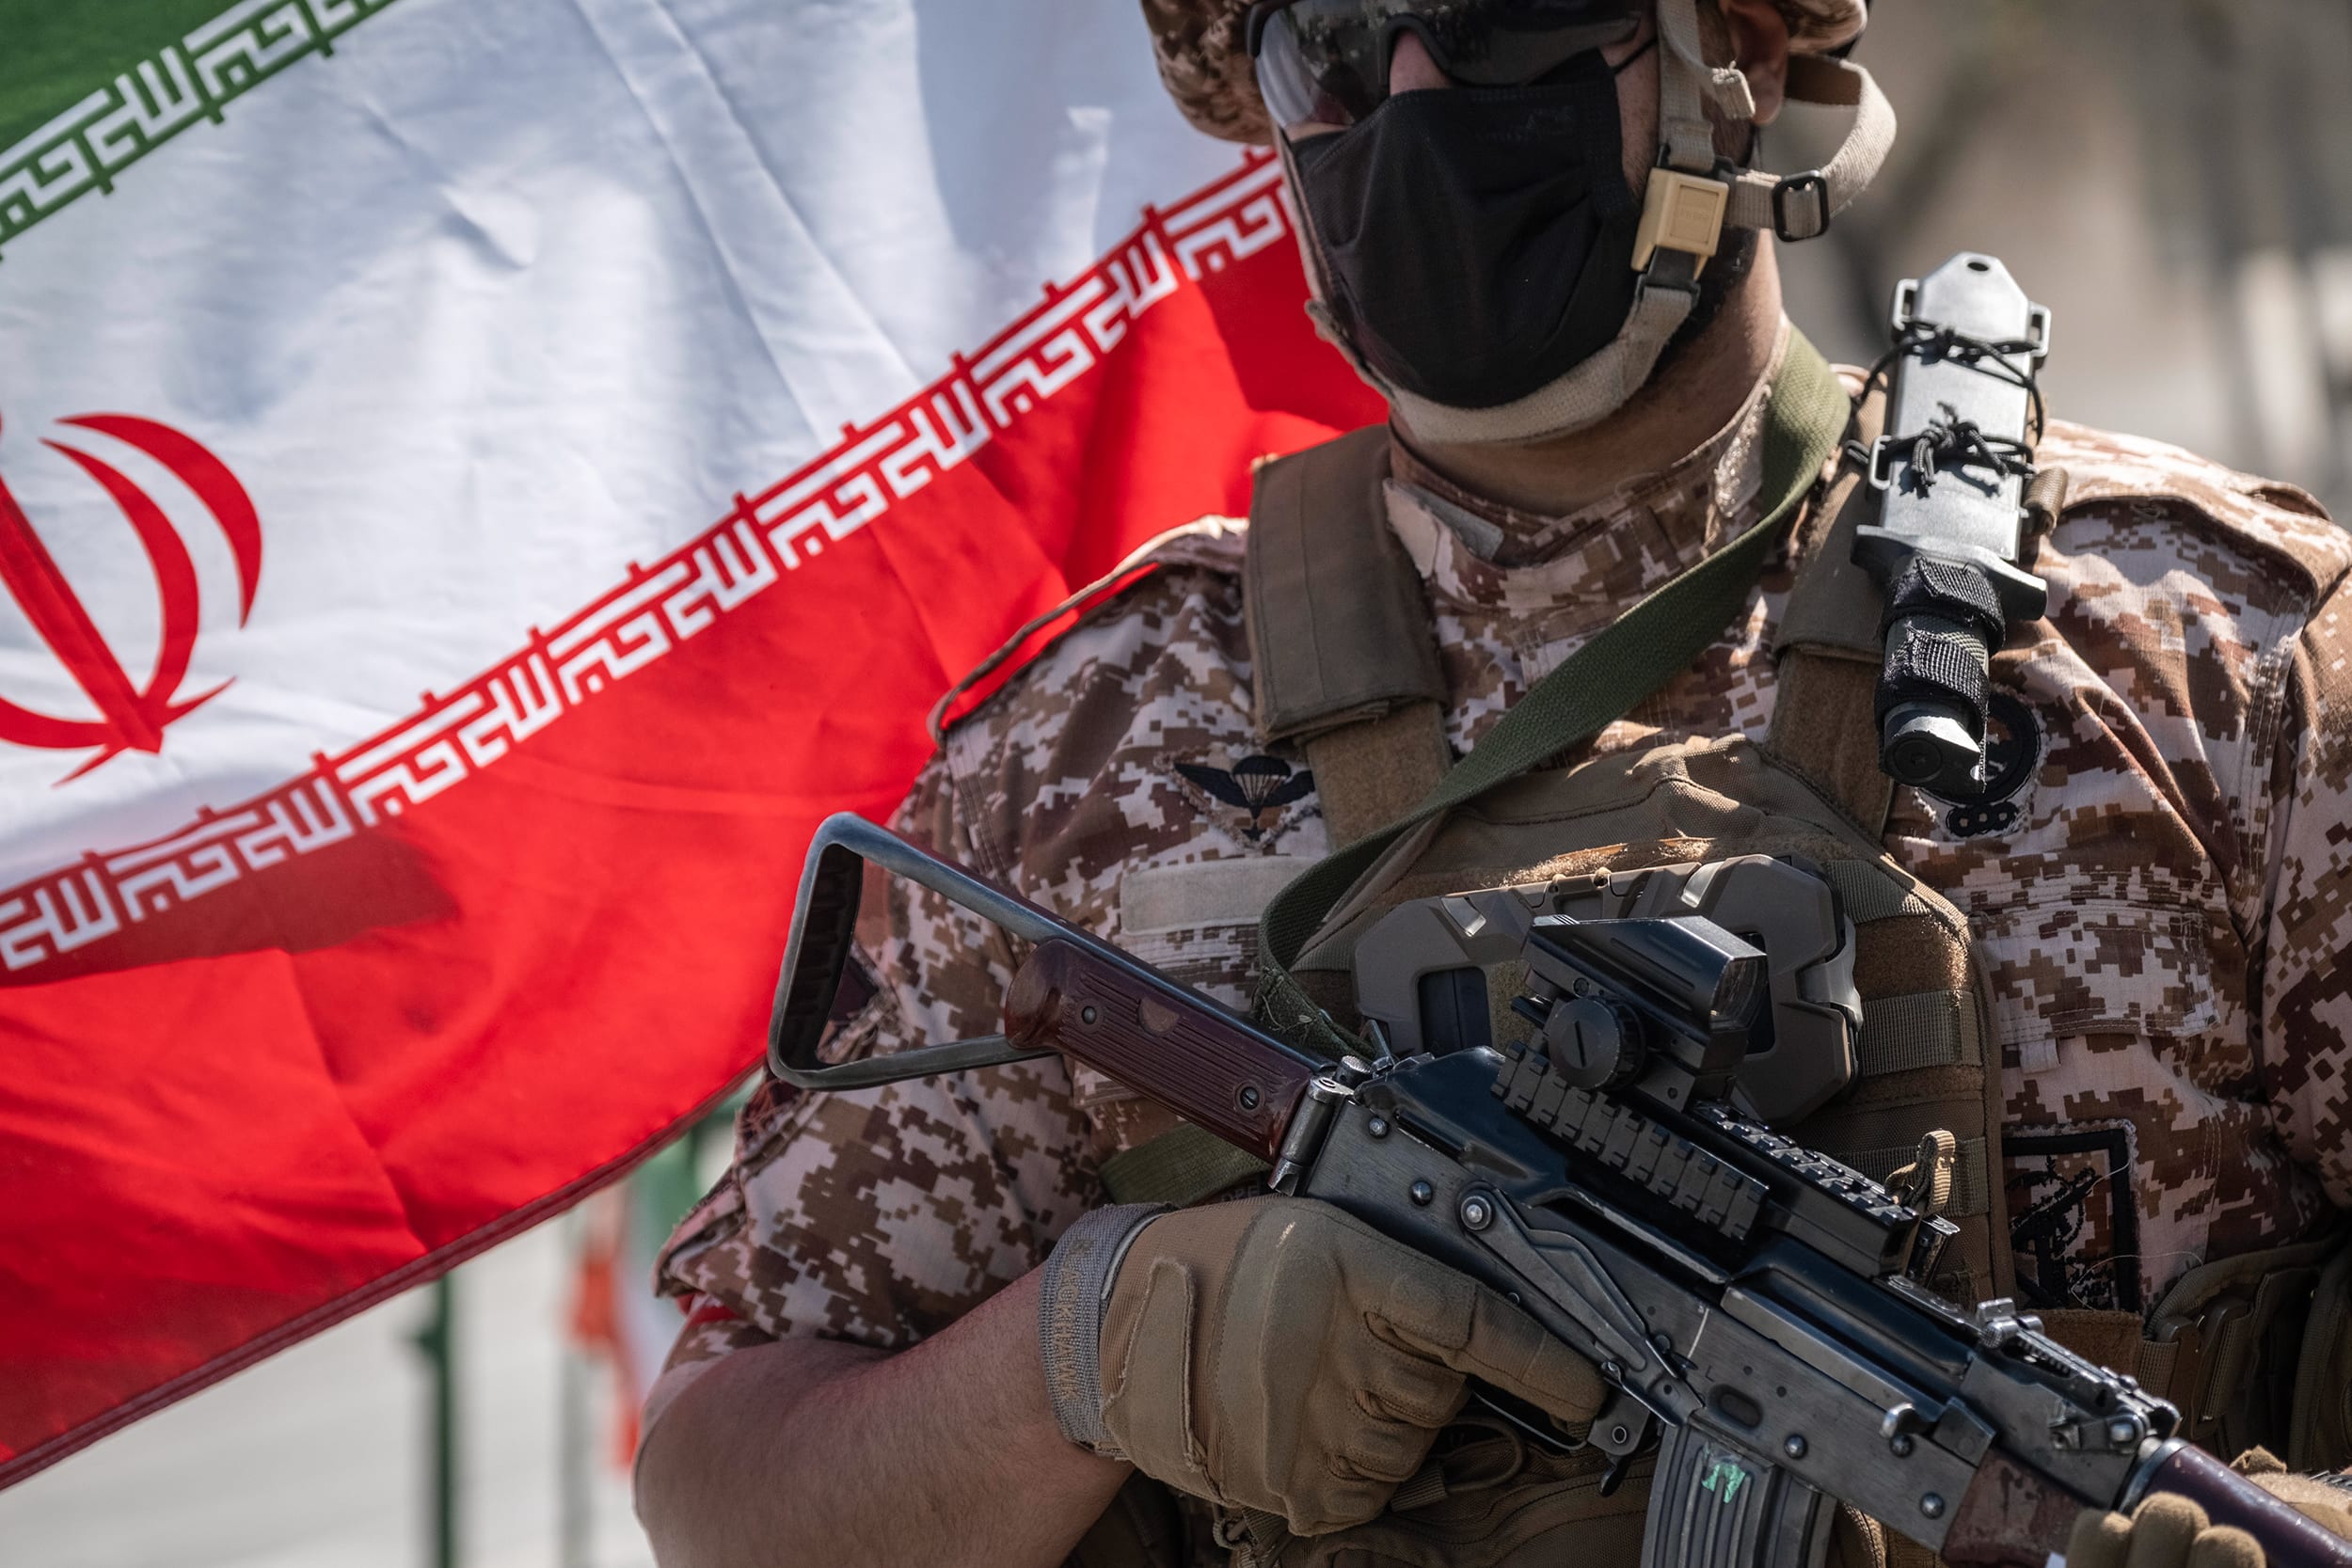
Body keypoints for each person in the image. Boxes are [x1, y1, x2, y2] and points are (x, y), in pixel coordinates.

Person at [631, 3, 2352, 1566]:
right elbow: (727, 1485)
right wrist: (1092, 1352)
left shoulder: (2212, 668)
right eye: (1333, 49)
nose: (1417, 106)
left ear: (1736, 51)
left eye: (1508, 23)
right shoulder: (1084, 754)